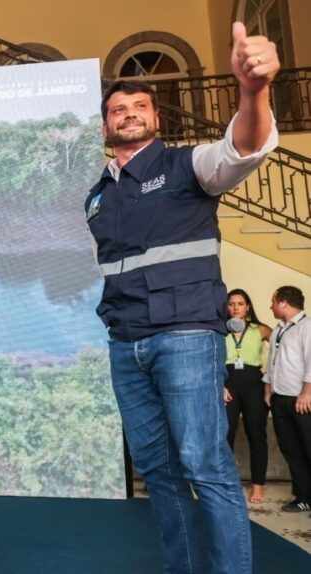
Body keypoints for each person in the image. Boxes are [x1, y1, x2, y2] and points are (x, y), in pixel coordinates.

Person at [84, 22, 279, 574]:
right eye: (119, 109)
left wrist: (253, 91)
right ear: (105, 124)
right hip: (127, 344)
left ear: (157, 118)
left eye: (140, 105)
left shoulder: (186, 165)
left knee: (205, 463)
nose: (129, 113)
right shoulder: (97, 197)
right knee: (158, 470)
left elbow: (242, 148)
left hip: (187, 336)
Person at [263, 286, 311, 514]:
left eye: (273, 302)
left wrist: (306, 393)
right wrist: (268, 390)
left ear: (283, 303)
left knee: (309, 448)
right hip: (280, 399)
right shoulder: (278, 330)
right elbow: (272, 362)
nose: (270, 306)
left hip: (302, 400)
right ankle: (303, 497)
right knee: (291, 451)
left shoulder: (307, 327)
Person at [224, 288, 272, 504]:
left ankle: (258, 486)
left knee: (257, 435)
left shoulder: (260, 330)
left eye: (240, 303)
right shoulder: (218, 330)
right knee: (225, 436)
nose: (235, 307)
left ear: (248, 307)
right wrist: (218, 385)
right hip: (227, 384)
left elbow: (284, 350)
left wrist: (271, 382)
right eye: (231, 303)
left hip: (254, 384)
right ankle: (225, 483)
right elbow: (209, 358)